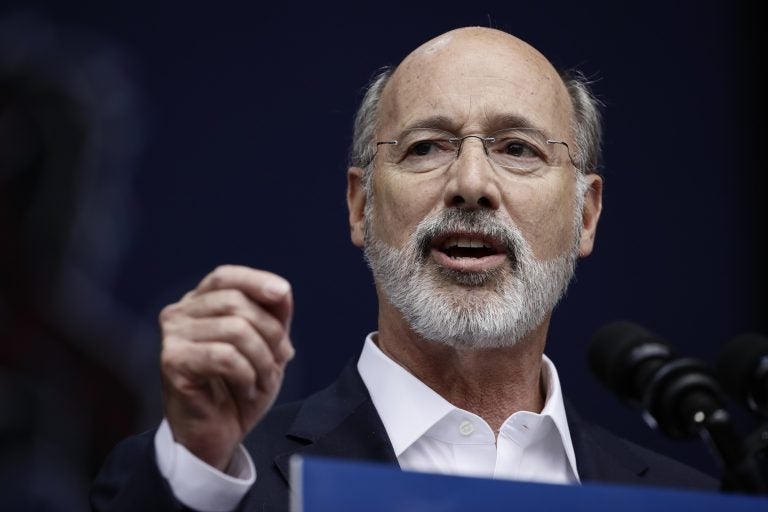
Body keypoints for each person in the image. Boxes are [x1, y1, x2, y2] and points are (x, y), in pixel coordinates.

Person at [91, 26, 717, 511]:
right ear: (361, 205)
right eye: (426, 147)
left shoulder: (693, 501)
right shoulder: (216, 477)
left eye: (518, 149)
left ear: (586, 215)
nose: (471, 184)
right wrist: (199, 470)